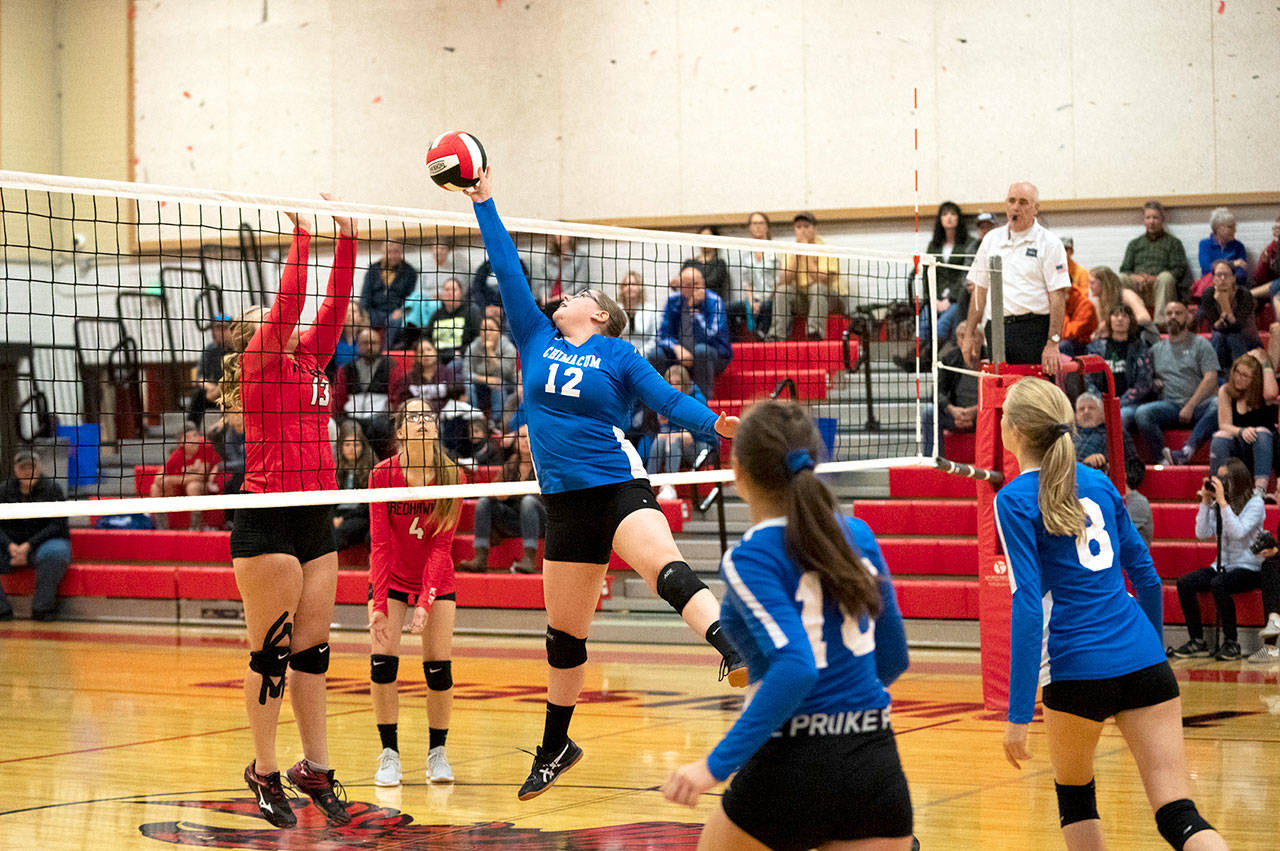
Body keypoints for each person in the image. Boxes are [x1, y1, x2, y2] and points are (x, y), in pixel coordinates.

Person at [465, 166, 746, 801]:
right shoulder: (536, 334)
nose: (565, 297)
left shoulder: (618, 355)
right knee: (564, 639)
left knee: (665, 570)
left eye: (579, 295)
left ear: (600, 314)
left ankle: (731, 648)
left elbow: (672, 403)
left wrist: (722, 428)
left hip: (616, 486)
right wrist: (484, 200)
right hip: (562, 504)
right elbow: (508, 268)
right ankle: (555, 745)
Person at [661, 400, 912, 850]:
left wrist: (712, 767)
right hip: (875, 762)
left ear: (738, 470)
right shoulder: (859, 535)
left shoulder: (753, 554)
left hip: (792, 764)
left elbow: (796, 667)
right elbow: (893, 657)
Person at [995, 376, 1226, 851]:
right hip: (1143, 659)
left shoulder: (1014, 499)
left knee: (1076, 800)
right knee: (1178, 813)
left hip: (1074, 667)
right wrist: (1153, 651)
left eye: (1002, 415)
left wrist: (1018, 713)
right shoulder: (1098, 482)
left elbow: (1025, 604)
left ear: (1015, 431)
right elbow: (1146, 576)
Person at [219, 198, 357, 829]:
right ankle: (265, 769)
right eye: (269, 319)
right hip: (267, 519)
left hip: (314, 519)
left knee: (313, 656)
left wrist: (347, 239)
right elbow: (294, 304)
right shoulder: (258, 365)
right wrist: (303, 237)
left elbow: (330, 307)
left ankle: (315, 767)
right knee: (269, 657)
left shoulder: (312, 360)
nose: (284, 323)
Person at [367, 399, 463, 787]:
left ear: (436, 428)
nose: (422, 422)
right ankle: (389, 754)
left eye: (428, 416)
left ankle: (437, 754)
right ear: (401, 430)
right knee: (382, 665)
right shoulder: (380, 475)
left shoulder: (452, 475)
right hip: (391, 576)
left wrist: (425, 602)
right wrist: (378, 603)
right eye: (413, 417)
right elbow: (380, 544)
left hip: (436, 578)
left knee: (438, 670)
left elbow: (442, 547)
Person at [961, 181, 1071, 374]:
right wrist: (970, 333)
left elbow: (1058, 296)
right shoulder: (991, 240)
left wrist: (1053, 343)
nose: (1015, 207)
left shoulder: (1050, 243)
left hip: (1034, 329)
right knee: (1003, 395)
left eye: (1023, 202)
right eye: (1011, 201)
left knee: (1033, 397)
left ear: (1035, 209)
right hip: (997, 329)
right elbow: (979, 289)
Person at [1169, 458, 1266, 662]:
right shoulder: (1219, 505)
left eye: (1224, 478)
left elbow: (1238, 532)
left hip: (1249, 567)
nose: (1219, 483)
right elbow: (1201, 533)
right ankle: (1197, 641)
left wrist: (1222, 503)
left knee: (1218, 584)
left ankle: (1231, 643)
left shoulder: (1255, 503)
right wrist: (1205, 503)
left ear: (1237, 480)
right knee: (1185, 583)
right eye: (1218, 478)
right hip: (1222, 565)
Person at [1133, 301, 1219, 465]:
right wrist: (1154, 382)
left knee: (1218, 403)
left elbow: (1211, 378)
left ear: (1187, 317)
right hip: (1170, 406)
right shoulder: (1156, 350)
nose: (1173, 317)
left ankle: (1187, 451)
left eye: (1178, 313)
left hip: (1199, 406)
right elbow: (1145, 379)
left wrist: (1191, 405)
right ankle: (1163, 459)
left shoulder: (1201, 344)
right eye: (1169, 313)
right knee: (1142, 413)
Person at [457, 424, 545, 575]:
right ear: (516, 442)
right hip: (514, 520)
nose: (525, 441)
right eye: (522, 437)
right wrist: (498, 495)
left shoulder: (543, 466)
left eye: (529, 438)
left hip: (540, 522)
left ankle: (529, 558)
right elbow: (494, 490)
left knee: (529, 502)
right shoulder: (510, 464)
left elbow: (547, 500)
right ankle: (480, 558)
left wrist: (510, 494)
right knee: (484, 502)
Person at [0, 450, 71, 621]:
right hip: (11, 544)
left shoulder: (52, 489)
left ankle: (42, 609)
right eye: (22, 467)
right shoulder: (4, 490)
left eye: (30, 467)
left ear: (39, 468)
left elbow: (57, 525)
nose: (27, 471)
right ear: (15, 470)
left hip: (43, 543)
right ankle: (2, 610)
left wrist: (28, 546)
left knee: (56, 552)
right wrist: (10, 546)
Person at [650, 266, 733, 399]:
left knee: (701, 350)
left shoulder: (715, 301)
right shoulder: (673, 301)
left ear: (703, 284)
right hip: (680, 354)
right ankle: (657, 401)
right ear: (682, 287)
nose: (695, 289)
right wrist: (676, 348)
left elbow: (712, 335)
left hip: (714, 355)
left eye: (697, 284)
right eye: (689, 285)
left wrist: (694, 312)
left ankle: (703, 402)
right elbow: (662, 336)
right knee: (655, 354)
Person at [1208, 352, 1278, 496]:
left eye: (1245, 376)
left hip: (1262, 448)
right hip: (1238, 445)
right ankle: (1219, 488)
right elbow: (1224, 424)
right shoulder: (1226, 391)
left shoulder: (1263, 393)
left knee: (1261, 432)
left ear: (1255, 379)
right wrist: (1241, 431)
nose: (1238, 378)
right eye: (1237, 372)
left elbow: (1272, 392)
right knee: (1220, 436)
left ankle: (1260, 491)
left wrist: (1264, 362)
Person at [643, 364, 711, 501]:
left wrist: (687, 434)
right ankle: (647, 486)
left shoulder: (696, 399)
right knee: (661, 438)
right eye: (670, 383)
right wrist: (661, 424)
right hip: (671, 447)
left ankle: (670, 486)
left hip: (701, 447)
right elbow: (649, 430)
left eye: (678, 383)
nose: (674, 387)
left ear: (685, 384)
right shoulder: (663, 400)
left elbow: (706, 433)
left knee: (673, 439)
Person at [331, 327, 401, 458]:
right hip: (352, 418)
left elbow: (396, 399)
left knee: (378, 427)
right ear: (358, 345)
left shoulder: (391, 367)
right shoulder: (346, 369)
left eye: (373, 343)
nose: (369, 346)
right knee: (345, 427)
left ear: (380, 345)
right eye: (365, 343)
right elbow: (338, 399)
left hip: (381, 418)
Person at [773, 211, 841, 340]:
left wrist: (806, 252)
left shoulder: (826, 248)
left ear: (814, 228)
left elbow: (821, 279)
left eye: (806, 226)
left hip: (827, 298)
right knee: (782, 290)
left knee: (817, 288)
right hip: (802, 299)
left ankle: (814, 333)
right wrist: (794, 256)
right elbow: (783, 281)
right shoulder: (790, 250)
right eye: (798, 227)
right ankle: (777, 335)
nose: (802, 230)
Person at [1087, 304, 1154, 430]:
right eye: (1116, 315)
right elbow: (1089, 381)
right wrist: (1101, 403)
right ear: (1109, 320)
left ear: (1131, 321)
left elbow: (1144, 384)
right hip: (1101, 402)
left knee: (1120, 417)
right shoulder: (1096, 348)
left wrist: (1118, 404)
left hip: (1130, 404)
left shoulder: (1140, 348)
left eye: (1124, 316)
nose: (1120, 319)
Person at [1120, 200, 1188, 317]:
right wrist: (1137, 277)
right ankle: (1129, 320)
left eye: (1155, 218)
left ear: (1162, 219)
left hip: (1161, 288)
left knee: (1165, 278)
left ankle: (1160, 323)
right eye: (1148, 218)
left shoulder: (1173, 243)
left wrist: (1154, 278)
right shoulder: (1134, 244)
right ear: (1144, 220)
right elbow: (1124, 269)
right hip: (1139, 287)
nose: (1151, 222)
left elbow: (1179, 271)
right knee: (1121, 278)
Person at [151, 422, 222, 528]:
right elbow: (162, 473)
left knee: (193, 486)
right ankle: (162, 527)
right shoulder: (177, 454)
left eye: (195, 435)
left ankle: (195, 526)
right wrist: (160, 479)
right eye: (188, 437)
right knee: (155, 488)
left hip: (206, 485)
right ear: (181, 443)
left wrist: (171, 480)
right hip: (182, 487)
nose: (193, 439)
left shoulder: (205, 447)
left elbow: (201, 476)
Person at [1071, 391, 1145, 489]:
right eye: (1081, 409)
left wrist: (1107, 467)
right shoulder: (1068, 435)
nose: (1086, 412)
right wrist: (1084, 465)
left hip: (1097, 486)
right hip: (1068, 483)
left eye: (1091, 408)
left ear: (1103, 414)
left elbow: (1136, 469)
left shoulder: (1114, 432)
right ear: (1075, 416)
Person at [1199, 259, 1261, 372]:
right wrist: (1221, 321)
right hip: (1221, 338)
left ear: (1234, 278)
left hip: (1247, 340)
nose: (1222, 278)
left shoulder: (1244, 295)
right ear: (1213, 279)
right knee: (1219, 336)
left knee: (1232, 336)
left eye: (1226, 275)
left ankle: (1241, 372)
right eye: (1219, 275)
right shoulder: (1208, 294)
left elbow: (1237, 325)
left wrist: (1224, 303)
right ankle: (1214, 375)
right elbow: (1214, 325)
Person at [462, 316, 518, 427]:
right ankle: (475, 417)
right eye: (483, 329)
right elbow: (466, 373)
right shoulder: (474, 346)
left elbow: (505, 373)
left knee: (498, 383)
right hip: (482, 384)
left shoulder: (508, 347)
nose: (486, 333)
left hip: (507, 384)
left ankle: (495, 421)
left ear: (499, 331)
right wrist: (486, 379)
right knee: (468, 384)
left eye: (491, 329)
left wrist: (490, 353)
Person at [730, 211, 778, 338]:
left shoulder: (776, 251)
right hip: (753, 299)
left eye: (761, 223)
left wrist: (762, 301)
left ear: (767, 226)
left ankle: (762, 335)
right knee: (728, 308)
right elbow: (747, 283)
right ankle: (732, 343)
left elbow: (778, 281)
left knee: (767, 307)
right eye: (754, 223)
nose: (758, 226)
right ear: (750, 227)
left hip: (771, 299)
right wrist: (752, 302)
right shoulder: (746, 255)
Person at [361, 237, 418, 339]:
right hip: (374, 312)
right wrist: (364, 314)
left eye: (396, 252)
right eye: (389, 252)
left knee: (395, 321)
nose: (393, 256)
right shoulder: (373, 269)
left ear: (401, 252)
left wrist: (402, 310)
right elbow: (365, 295)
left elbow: (411, 297)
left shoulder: (410, 272)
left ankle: (385, 352)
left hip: (395, 313)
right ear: (383, 252)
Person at [333, 419, 376, 552]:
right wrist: (334, 517)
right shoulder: (335, 467)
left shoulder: (372, 466)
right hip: (338, 515)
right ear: (341, 446)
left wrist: (344, 519)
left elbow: (368, 505)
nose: (352, 449)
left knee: (338, 534)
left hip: (360, 516)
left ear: (363, 445)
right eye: (347, 444)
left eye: (356, 444)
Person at [396, 339, 464, 414]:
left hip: (445, 415)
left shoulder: (447, 373)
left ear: (435, 352)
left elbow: (459, 396)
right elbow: (402, 403)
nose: (425, 354)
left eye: (429, 349)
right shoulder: (409, 378)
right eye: (421, 352)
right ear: (416, 357)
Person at [1088, 265, 1154, 343]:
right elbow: (1104, 330)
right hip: (1120, 339)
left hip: (1143, 337)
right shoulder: (1099, 301)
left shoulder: (1126, 295)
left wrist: (1117, 322)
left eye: (1092, 283)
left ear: (1104, 283)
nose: (1089, 286)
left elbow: (1145, 318)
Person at [424, 277, 482, 364]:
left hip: (461, 358)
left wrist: (462, 352)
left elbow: (478, 338)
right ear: (442, 294)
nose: (449, 293)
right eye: (446, 290)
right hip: (438, 358)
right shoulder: (437, 315)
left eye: (453, 290)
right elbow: (427, 337)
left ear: (461, 293)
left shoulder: (470, 311)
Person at [188, 315, 233, 425]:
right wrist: (212, 388)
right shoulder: (209, 350)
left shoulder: (238, 349)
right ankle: (191, 428)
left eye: (224, 328)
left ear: (232, 330)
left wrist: (220, 389)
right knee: (199, 395)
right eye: (217, 329)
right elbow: (200, 376)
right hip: (214, 392)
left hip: (233, 390)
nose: (220, 332)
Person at [1058, 237, 1098, 357]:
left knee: (1062, 345)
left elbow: (1069, 333)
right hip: (1062, 337)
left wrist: (1060, 309)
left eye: (1066, 249)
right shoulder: (1055, 268)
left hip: (1080, 343)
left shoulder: (1084, 304)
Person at [1196, 207, 1249, 290]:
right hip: (1210, 286)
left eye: (1234, 226)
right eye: (1230, 227)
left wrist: (1223, 278)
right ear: (1218, 228)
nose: (1234, 230)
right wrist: (1232, 264)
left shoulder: (1238, 246)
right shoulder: (1205, 244)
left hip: (1232, 287)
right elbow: (1206, 268)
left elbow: (1242, 274)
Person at [615, 270, 661, 356]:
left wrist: (641, 353)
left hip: (646, 354)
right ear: (621, 289)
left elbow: (655, 338)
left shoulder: (651, 310)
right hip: (620, 353)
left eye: (633, 284)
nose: (629, 287)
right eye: (625, 285)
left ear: (640, 288)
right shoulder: (616, 309)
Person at [682, 225, 732, 303]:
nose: (705, 241)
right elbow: (680, 282)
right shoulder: (689, 263)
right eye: (702, 238)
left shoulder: (719, 263)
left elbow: (712, 283)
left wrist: (690, 285)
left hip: (711, 304)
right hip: (688, 304)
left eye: (708, 238)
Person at [1247, 213, 1280, 315]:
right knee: (1249, 300)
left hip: (1276, 287)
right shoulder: (1271, 248)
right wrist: (1264, 264)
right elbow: (1259, 278)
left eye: (1278, 229)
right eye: (1274, 228)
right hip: (1269, 287)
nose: (1275, 232)